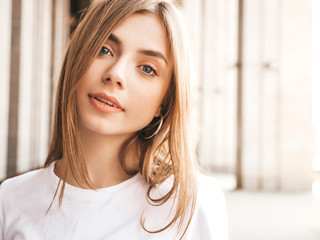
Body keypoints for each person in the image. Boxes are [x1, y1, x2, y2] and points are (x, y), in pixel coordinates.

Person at [0, 0, 228, 239]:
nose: (115, 74)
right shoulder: (11, 199)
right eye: (104, 49)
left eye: (147, 68)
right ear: (77, 56)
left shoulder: (191, 202)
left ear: (164, 102)